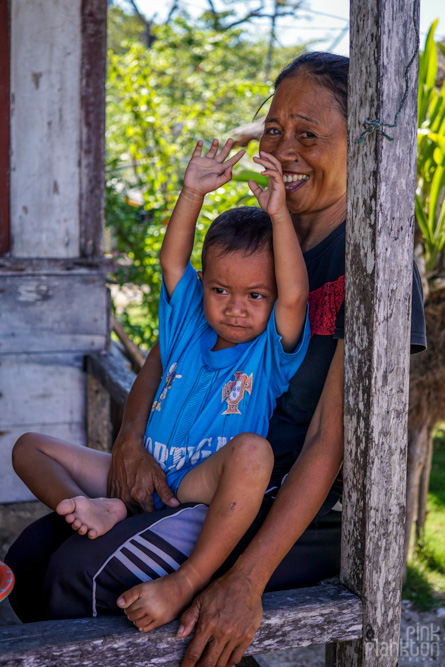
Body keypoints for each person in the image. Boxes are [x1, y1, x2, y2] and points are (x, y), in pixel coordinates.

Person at [6, 52, 426, 667]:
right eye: (275, 129)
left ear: (361, 142)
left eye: (309, 134)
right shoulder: (257, 237)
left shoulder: (372, 264)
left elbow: (327, 442)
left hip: (287, 506)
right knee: (30, 556)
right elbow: (172, 346)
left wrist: (246, 580)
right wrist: (129, 440)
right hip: (196, 474)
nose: (285, 149)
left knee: (79, 575)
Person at [11, 138, 310, 631]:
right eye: (220, 290)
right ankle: (93, 508)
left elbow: (295, 294)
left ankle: (188, 579)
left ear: (273, 298)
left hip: (195, 486)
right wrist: (191, 193)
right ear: (203, 285)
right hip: (141, 474)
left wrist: (279, 216)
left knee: (254, 452)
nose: (235, 307)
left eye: (256, 295)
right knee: (27, 447)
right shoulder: (188, 324)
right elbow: (174, 262)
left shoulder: (269, 352)